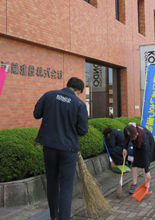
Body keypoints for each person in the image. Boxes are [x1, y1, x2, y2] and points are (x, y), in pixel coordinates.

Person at [33, 77, 88, 220]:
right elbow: (83, 130)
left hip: (49, 147)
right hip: (68, 150)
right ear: (80, 91)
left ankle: (53, 216)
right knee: (66, 187)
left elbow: (36, 114)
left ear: (67, 85)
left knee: (52, 183)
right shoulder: (79, 104)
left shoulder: (49, 95)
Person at [122, 123, 155, 194]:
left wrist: (147, 171)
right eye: (131, 138)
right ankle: (134, 185)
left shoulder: (145, 137)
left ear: (137, 133)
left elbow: (146, 156)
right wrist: (124, 148)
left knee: (144, 163)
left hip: (148, 144)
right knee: (135, 162)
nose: (132, 139)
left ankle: (148, 187)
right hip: (137, 143)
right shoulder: (127, 129)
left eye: (133, 137)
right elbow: (126, 139)